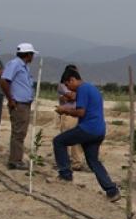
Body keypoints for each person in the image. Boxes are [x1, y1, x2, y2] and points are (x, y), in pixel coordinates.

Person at [52, 70, 121, 202]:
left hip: (88, 129)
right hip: (99, 130)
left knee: (59, 141)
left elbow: (81, 112)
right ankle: (112, 191)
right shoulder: (91, 88)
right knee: (93, 161)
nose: (68, 88)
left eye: (68, 84)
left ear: (72, 80)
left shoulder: (82, 89)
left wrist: (65, 110)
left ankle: (65, 175)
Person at [0, 43, 37, 170]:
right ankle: (15, 160)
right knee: (19, 132)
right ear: (28, 54)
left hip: (24, 104)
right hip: (18, 104)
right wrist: (10, 99)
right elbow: (4, 80)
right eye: (32, 54)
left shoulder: (24, 66)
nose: (33, 57)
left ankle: (16, 158)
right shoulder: (15, 64)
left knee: (21, 131)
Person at [56, 64, 84, 171]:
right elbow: (72, 96)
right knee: (66, 139)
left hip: (76, 113)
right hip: (68, 115)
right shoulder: (63, 85)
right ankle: (65, 162)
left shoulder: (78, 87)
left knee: (76, 139)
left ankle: (76, 162)